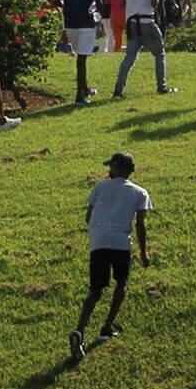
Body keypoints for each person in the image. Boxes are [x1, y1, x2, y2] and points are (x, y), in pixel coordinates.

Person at [70, 152, 152, 361]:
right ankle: (107, 327)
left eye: (111, 167)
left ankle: (79, 330)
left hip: (98, 242)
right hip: (120, 243)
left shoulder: (100, 187)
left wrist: (101, 229)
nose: (108, 170)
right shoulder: (140, 193)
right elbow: (140, 226)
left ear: (118, 169)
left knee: (95, 291)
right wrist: (143, 253)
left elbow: (88, 217)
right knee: (121, 282)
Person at [111, 0, 175, 99]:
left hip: (132, 22)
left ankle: (118, 90)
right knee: (159, 54)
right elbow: (154, 1)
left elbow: (122, 2)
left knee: (129, 58)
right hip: (147, 21)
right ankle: (162, 86)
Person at [55, 0, 102, 104]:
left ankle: (86, 88)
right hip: (86, 23)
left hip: (70, 23)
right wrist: (101, 16)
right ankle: (80, 95)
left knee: (80, 56)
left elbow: (57, 0)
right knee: (81, 60)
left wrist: (67, 7)